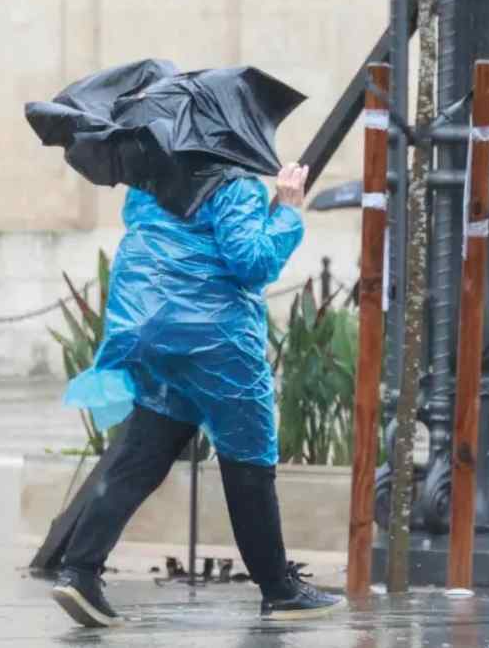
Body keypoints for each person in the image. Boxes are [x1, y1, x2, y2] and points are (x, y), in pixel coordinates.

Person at [50, 162, 346, 628]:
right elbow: (252, 263)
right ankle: (278, 589)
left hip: (154, 332)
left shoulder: (149, 179)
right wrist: (288, 211)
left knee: (142, 455)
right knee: (250, 457)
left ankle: (80, 570)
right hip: (218, 344)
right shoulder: (234, 182)